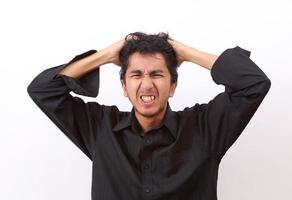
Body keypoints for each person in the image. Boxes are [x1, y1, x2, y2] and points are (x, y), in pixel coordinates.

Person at [27, 32, 271, 200]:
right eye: (136, 75)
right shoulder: (100, 128)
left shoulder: (204, 128)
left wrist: (186, 52)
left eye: (156, 74)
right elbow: (43, 90)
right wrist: (106, 55)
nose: (146, 85)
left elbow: (253, 84)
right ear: (123, 86)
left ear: (173, 86)